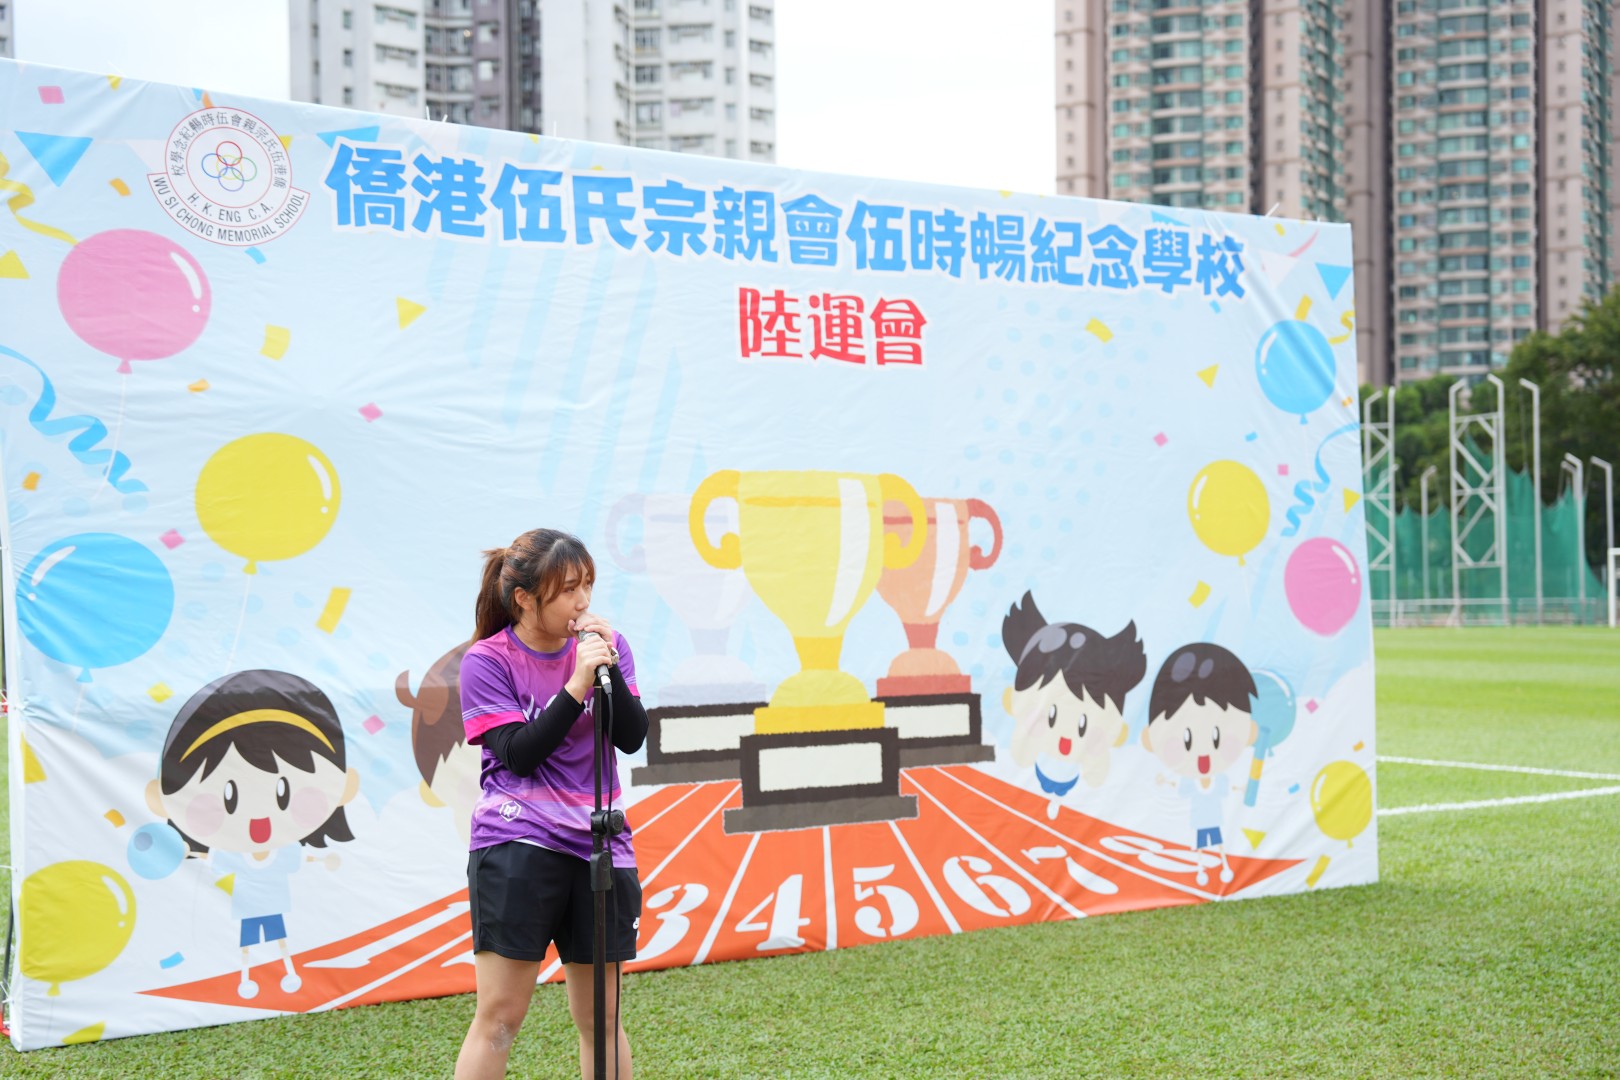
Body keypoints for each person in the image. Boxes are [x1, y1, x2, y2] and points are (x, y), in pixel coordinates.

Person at [453, 529, 649, 1080]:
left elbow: (632, 736)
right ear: (523, 598)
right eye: (567, 590)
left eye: (587, 585)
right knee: (499, 1018)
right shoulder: (487, 661)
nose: (582, 602)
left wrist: (607, 671)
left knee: (602, 1019)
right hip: (517, 845)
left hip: (601, 846)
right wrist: (576, 684)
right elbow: (519, 755)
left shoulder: (607, 648)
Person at [1141, 642, 1257, 887]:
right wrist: (1165, 782)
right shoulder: (1189, 781)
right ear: (1150, 738)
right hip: (1200, 822)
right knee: (1202, 846)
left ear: (1250, 732)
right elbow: (1180, 788)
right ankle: (1202, 869)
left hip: (1214, 820)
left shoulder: (1219, 779)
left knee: (1218, 843)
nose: (1203, 754)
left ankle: (1223, 867)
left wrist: (1241, 789)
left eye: (1216, 737)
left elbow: (1229, 789)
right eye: (1186, 740)